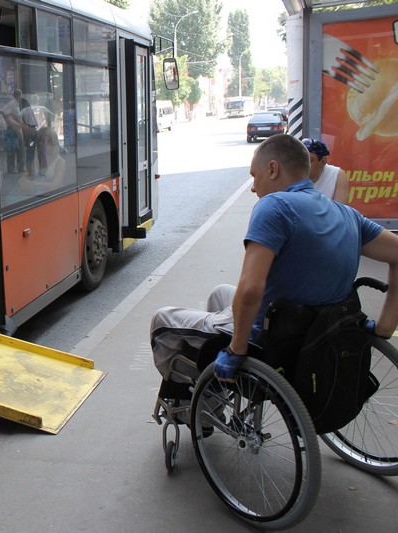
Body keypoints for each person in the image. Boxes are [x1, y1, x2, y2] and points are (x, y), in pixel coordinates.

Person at [150, 134, 398, 383]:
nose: (253, 187)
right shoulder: (347, 214)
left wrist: (237, 348)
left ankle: (194, 407)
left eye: (254, 176)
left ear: (272, 169)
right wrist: (385, 326)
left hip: (272, 336)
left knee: (162, 321)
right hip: (320, 329)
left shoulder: (274, 207)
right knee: (219, 293)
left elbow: (250, 289)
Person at [302, 137, 349, 204]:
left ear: (323, 162)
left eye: (310, 160)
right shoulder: (288, 173)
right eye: (300, 159)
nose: (303, 163)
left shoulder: (337, 175)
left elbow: (341, 211)